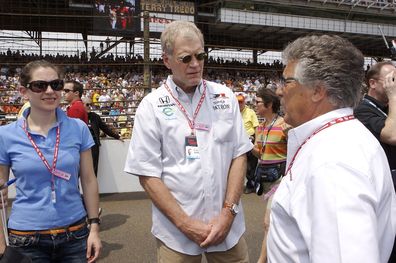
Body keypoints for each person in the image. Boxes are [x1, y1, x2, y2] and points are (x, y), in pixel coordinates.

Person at [124, 20, 253, 262]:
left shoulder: (225, 96)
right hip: (177, 235)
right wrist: (186, 225)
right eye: (185, 58)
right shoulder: (151, 106)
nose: (195, 64)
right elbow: (148, 175)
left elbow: (239, 155)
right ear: (166, 60)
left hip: (228, 229)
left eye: (200, 55)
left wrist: (228, 213)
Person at [267, 35, 396, 263]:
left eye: (287, 82)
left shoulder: (335, 161)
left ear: (317, 91)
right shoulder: (334, 142)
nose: (279, 91)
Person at [0, 60, 102, 262]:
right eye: (40, 85)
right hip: (26, 238)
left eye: (55, 85)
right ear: (24, 91)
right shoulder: (5, 135)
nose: (49, 91)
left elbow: (89, 180)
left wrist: (95, 227)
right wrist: (1, 243)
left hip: (75, 233)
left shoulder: (78, 129)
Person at [354, 61, 396, 262]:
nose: (394, 85)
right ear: (373, 83)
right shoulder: (362, 110)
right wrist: (393, 96)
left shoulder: (391, 107)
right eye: (391, 80)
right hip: (384, 188)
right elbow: (392, 135)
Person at [252, 88, 290, 263]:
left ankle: (262, 260)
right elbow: (260, 153)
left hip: (280, 180)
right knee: (276, 222)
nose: (255, 104)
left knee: (268, 222)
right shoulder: (260, 127)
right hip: (265, 178)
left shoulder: (284, 125)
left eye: (258, 101)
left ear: (268, 105)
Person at [83, 99, 123, 177]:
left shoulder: (95, 117)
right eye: (87, 105)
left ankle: (92, 188)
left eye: (90, 105)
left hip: (93, 145)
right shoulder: (78, 116)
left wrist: (117, 136)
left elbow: (105, 129)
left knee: (93, 170)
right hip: (82, 146)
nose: (89, 107)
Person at [236, 93, 259, 194]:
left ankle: (251, 184)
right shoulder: (234, 112)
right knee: (241, 163)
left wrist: (256, 142)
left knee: (251, 164)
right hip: (239, 140)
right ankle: (245, 184)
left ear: (244, 102)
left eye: (241, 102)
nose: (239, 103)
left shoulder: (250, 112)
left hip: (250, 139)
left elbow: (256, 127)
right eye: (237, 102)